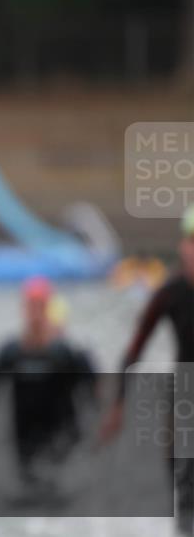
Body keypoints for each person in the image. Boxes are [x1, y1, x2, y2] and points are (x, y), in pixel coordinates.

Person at [101, 206, 194, 536]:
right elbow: (133, 350)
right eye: (192, 242)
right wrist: (117, 406)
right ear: (183, 247)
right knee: (184, 501)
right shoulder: (169, 293)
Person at [0, 276, 97, 489]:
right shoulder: (10, 351)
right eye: (31, 306)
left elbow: (91, 389)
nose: (35, 312)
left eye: (40, 306)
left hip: (61, 429)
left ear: (48, 308)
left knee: (53, 479)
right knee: (30, 484)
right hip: (24, 429)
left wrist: (94, 426)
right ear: (24, 309)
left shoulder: (65, 352)